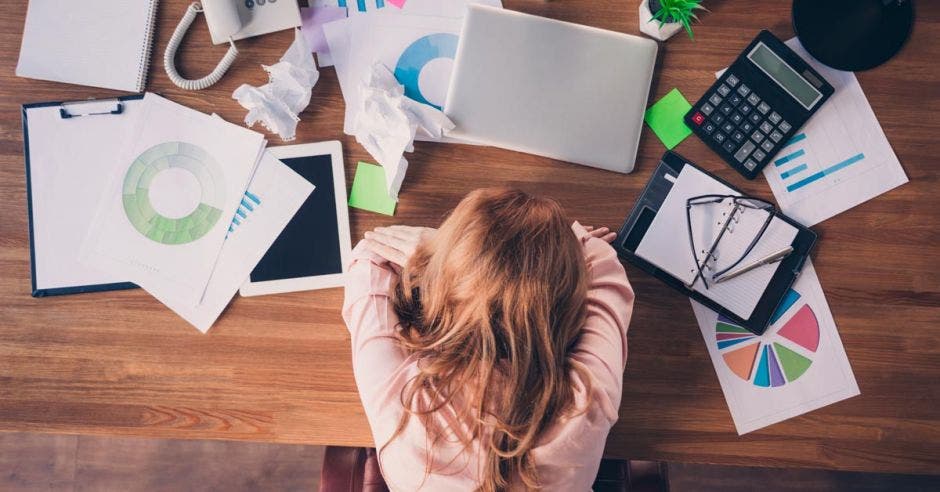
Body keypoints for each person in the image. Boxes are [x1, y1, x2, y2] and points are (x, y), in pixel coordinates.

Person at [342, 188, 634, 491]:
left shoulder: (404, 401)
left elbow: (368, 255)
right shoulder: (586, 398)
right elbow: (603, 264)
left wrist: (452, 254)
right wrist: (559, 254)